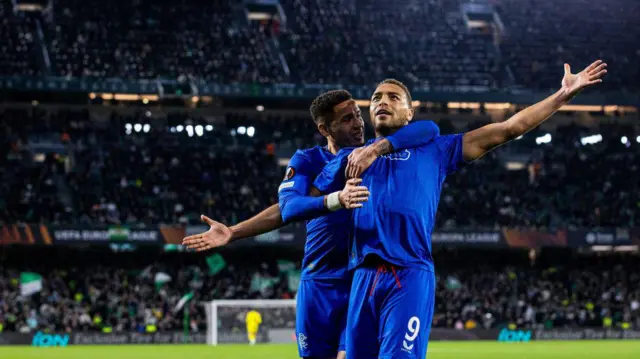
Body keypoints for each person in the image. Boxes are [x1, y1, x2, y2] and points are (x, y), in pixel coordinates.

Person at [313, 61, 607, 359]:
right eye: (376, 98)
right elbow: (308, 198)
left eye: (393, 97)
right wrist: (336, 196)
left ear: (409, 113)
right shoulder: (350, 158)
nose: (382, 102)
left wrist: (561, 96)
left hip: (408, 274)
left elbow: (508, 128)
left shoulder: (436, 149)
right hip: (362, 276)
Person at [183, 89, 440, 359]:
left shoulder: (374, 157)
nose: (358, 123)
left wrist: (378, 147)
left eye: (357, 115)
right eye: (346, 119)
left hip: (360, 280)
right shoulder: (309, 160)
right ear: (324, 128)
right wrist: (233, 232)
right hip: (317, 282)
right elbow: (289, 207)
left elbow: (429, 128)